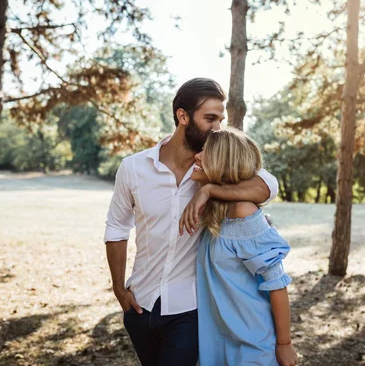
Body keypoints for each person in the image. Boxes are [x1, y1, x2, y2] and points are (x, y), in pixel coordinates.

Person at [103, 78, 279, 366]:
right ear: (182, 116)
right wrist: (119, 288)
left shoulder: (213, 170)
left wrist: (210, 189)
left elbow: (268, 186)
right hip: (140, 305)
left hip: (191, 310)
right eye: (210, 118)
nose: (217, 127)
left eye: (220, 119)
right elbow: (117, 227)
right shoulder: (133, 168)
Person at [190, 128, 298, 366]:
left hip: (253, 346)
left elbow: (277, 284)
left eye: (204, 152)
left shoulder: (243, 211)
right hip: (218, 343)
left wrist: (284, 344)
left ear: (222, 163)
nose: (196, 156)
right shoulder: (216, 213)